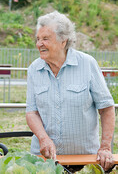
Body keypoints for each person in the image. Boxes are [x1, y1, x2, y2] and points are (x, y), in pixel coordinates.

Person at [26, 11, 115, 171]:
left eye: (45, 39)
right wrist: (43, 138)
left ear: (63, 41)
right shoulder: (34, 69)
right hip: (45, 162)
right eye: (38, 39)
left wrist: (105, 147)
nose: (39, 44)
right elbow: (32, 112)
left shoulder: (87, 64)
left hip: (84, 160)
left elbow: (106, 108)